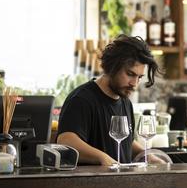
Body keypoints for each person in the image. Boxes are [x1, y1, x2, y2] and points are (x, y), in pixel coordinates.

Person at [57, 35, 162, 166]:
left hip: (119, 183)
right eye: (130, 74)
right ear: (113, 67)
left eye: (139, 77)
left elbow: (125, 142)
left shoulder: (125, 102)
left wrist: (146, 155)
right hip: (92, 184)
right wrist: (102, 158)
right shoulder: (81, 99)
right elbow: (66, 141)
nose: (134, 84)